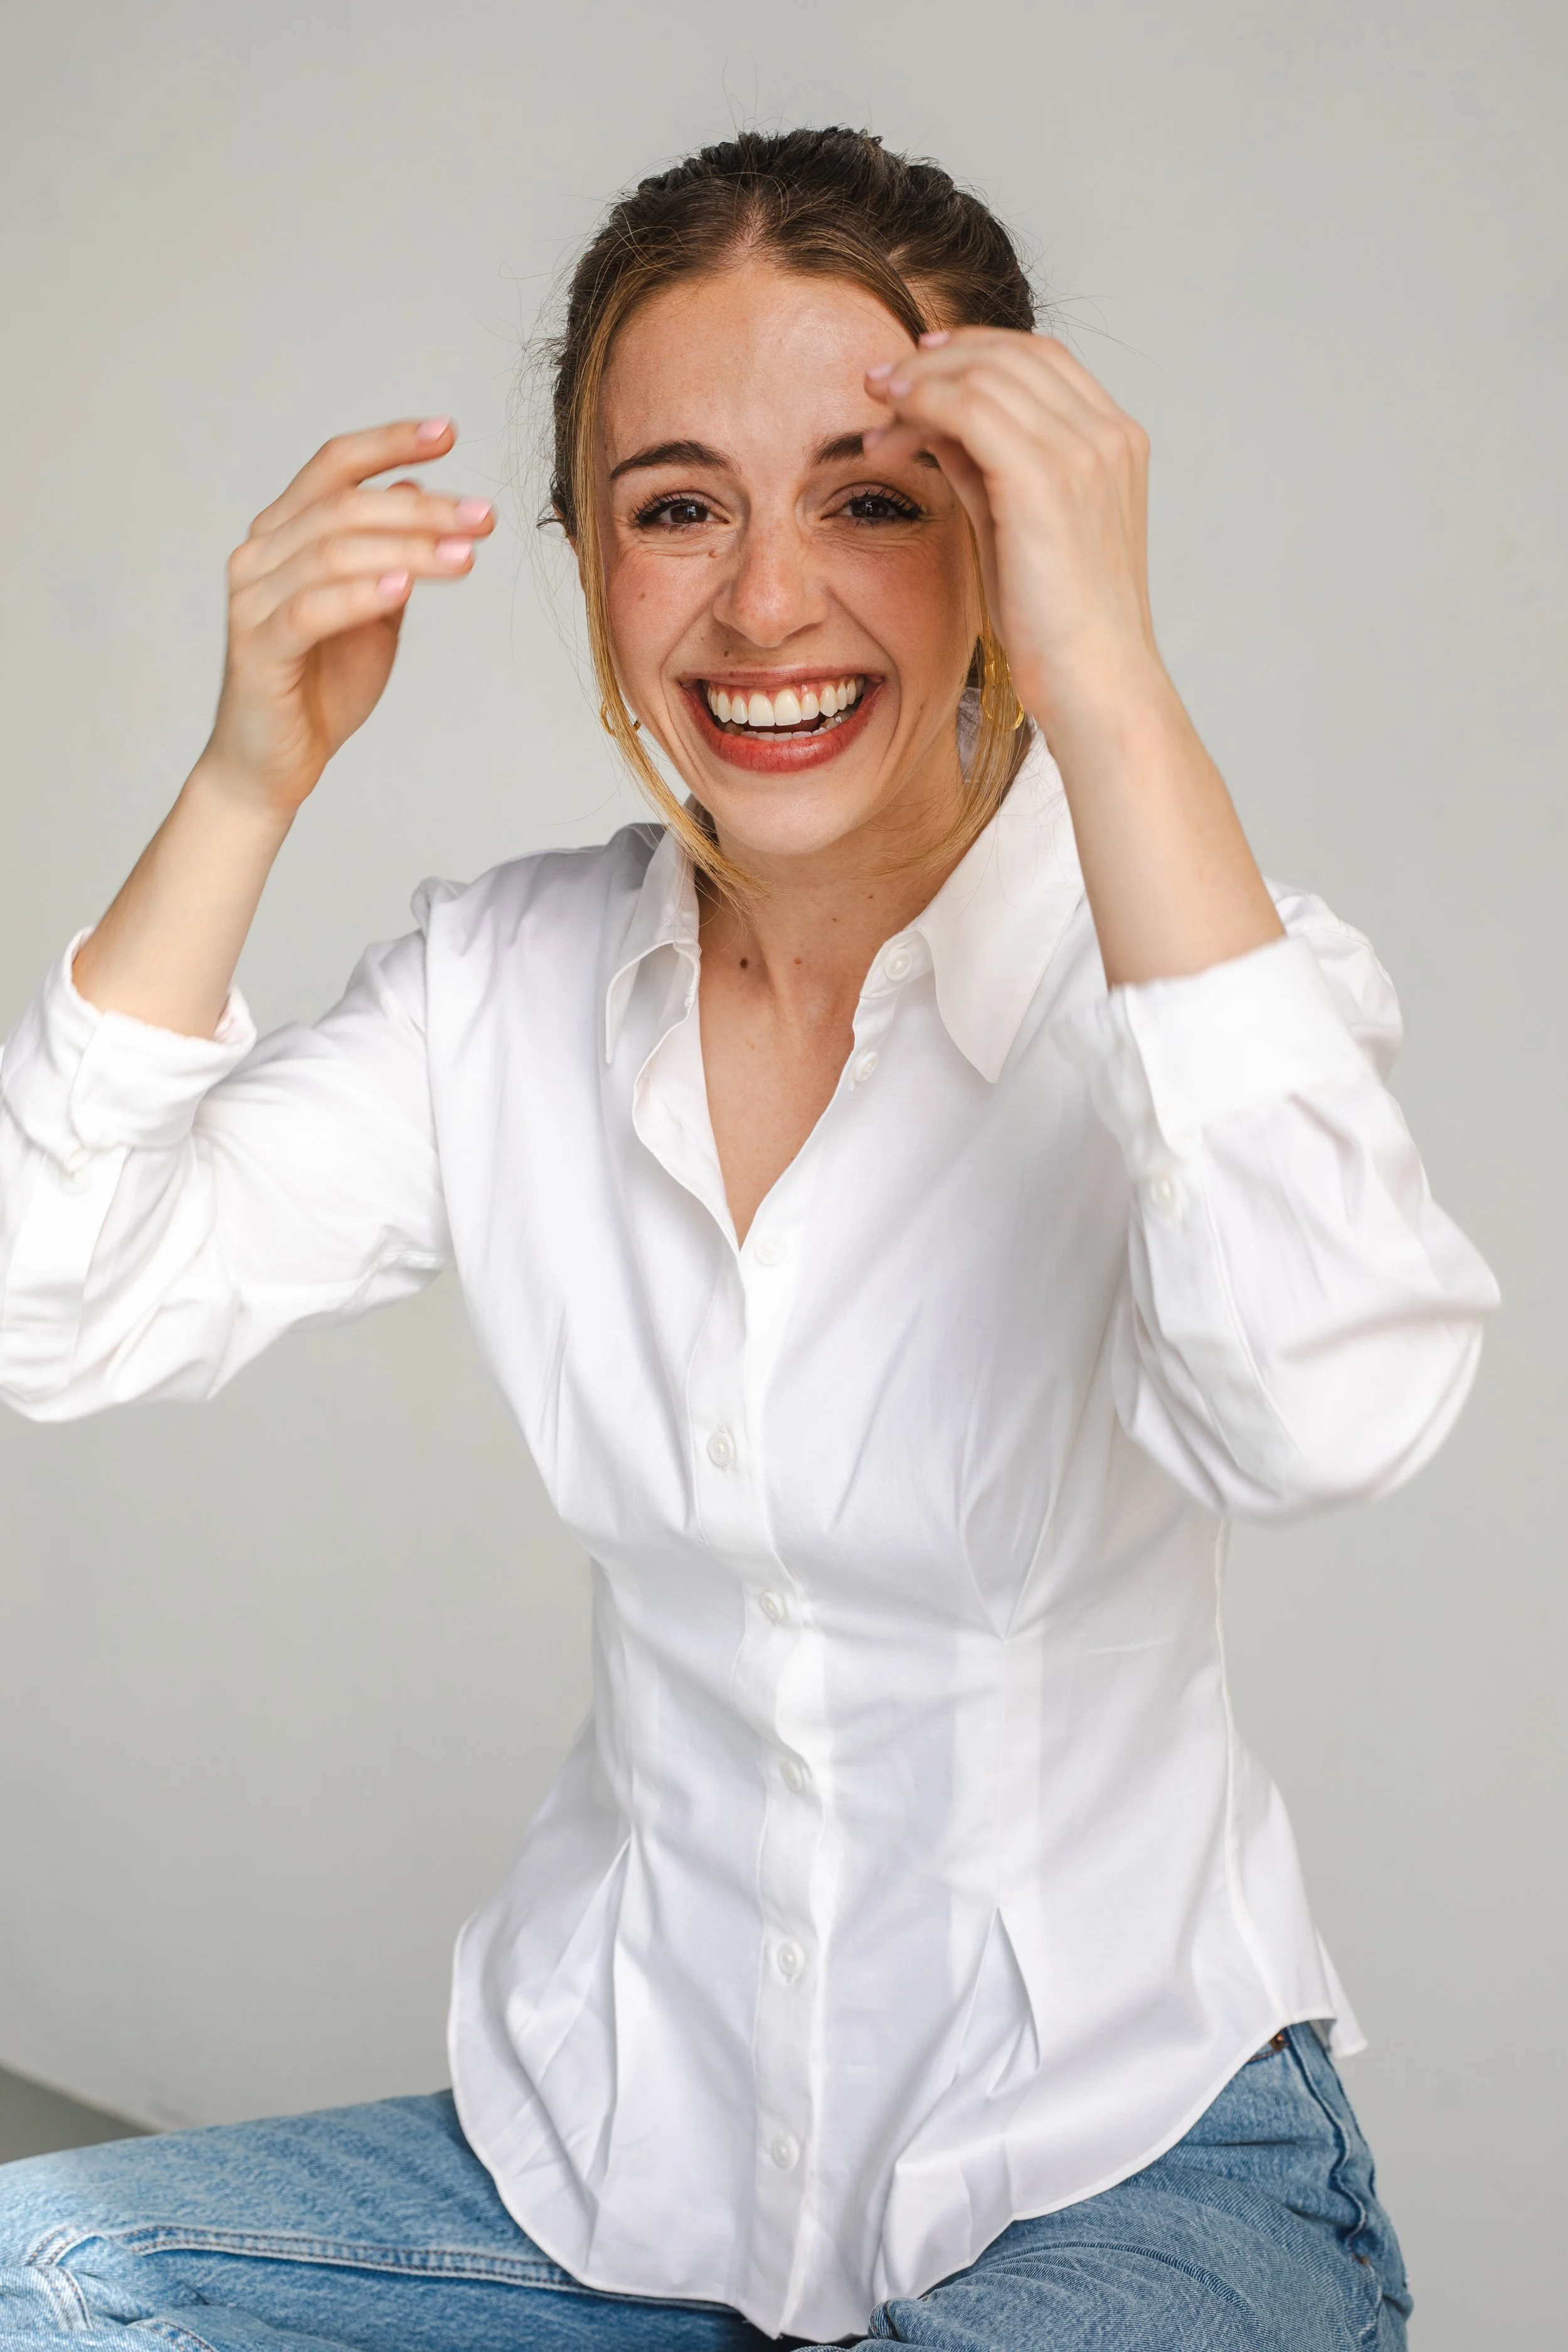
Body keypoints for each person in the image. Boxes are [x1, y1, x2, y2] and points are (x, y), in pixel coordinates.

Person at [0, 127, 1496, 2352]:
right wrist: (245, 780)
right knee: (48, 2280)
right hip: (613, 2176)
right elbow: (57, 1303)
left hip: (1120, 2172)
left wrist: (1109, 688)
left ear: (1004, 541)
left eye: (874, 498)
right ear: (593, 562)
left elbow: (1328, 1409)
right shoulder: (502, 992)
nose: (766, 600)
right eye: (677, 504)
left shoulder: (1181, 980)